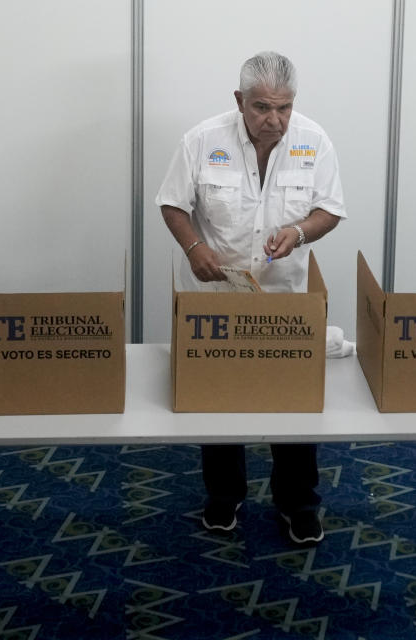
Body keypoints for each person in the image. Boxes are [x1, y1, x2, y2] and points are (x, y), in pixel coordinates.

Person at [155, 51, 346, 544]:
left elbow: (330, 209)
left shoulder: (314, 140)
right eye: (262, 107)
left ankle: (298, 502)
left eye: (284, 108)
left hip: (284, 297)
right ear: (239, 101)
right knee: (218, 398)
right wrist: (194, 247)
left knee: (292, 402)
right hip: (214, 293)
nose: (275, 120)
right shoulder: (202, 140)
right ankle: (223, 496)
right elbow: (172, 203)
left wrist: (300, 233)